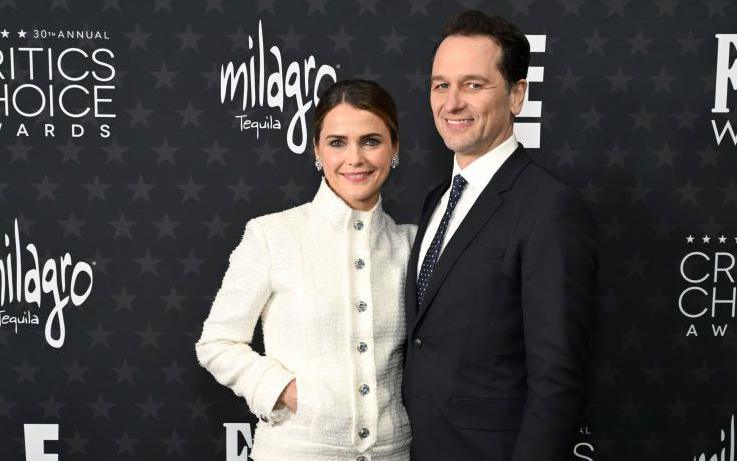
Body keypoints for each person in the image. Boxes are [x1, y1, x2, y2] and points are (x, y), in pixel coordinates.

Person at [402, 10, 598, 461]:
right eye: (441, 85)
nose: (452, 103)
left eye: (473, 84)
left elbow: (557, 378)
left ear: (517, 95)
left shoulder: (549, 208)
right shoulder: (436, 199)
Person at [195, 79, 415, 461]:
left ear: (394, 147)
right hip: (296, 450)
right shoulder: (271, 235)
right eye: (337, 142)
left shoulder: (412, 244)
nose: (355, 158)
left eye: (371, 140)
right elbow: (216, 343)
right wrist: (288, 393)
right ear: (317, 151)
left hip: (394, 453)